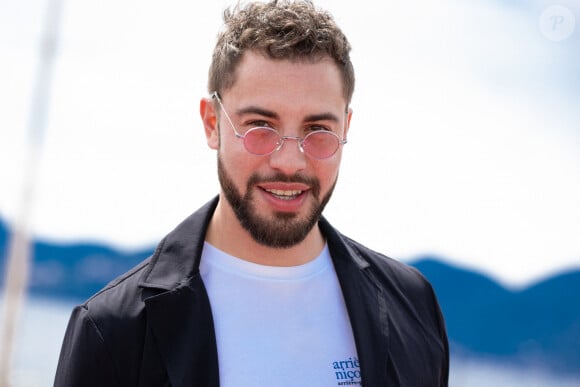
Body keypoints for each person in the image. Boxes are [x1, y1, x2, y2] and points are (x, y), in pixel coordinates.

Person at [54, 1, 449, 386]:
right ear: (213, 124)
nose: (290, 161)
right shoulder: (114, 332)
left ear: (345, 127)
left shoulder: (414, 307)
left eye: (318, 129)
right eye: (261, 125)